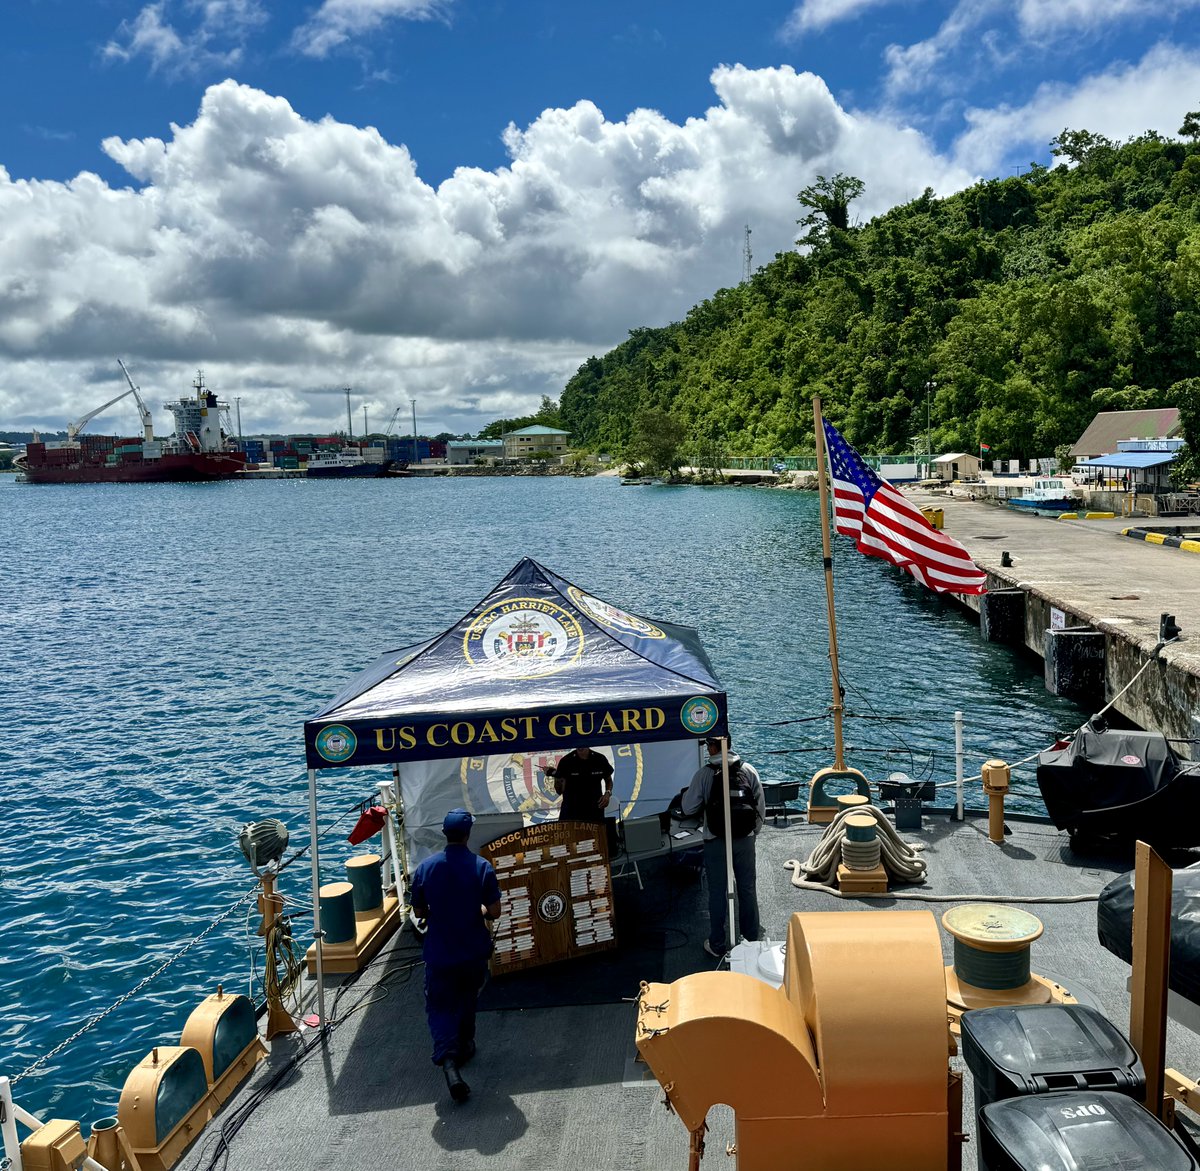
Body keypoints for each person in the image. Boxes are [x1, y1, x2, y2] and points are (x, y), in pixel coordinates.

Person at [410, 808, 503, 1103]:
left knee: (439, 1007)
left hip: (440, 951)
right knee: (466, 997)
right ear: (467, 834)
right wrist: (480, 910)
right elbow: (495, 910)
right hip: (473, 950)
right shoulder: (481, 867)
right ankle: (465, 1044)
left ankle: (449, 1061)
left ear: (444, 834)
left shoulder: (426, 868)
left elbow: (419, 912)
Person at [681, 736, 765, 959]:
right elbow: (760, 808)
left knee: (717, 891)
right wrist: (751, 833)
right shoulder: (749, 770)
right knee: (747, 888)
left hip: (716, 840)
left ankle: (717, 944)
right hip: (745, 840)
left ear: (712, 747)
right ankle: (751, 941)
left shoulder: (705, 774)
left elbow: (689, 808)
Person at [546, 745, 614, 824]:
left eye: (583, 744)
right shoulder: (566, 761)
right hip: (571, 810)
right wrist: (556, 776)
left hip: (594, 808)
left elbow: (608, 780)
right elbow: (559, 791)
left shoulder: (599, 759)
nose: (580, 746)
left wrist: (607, 793)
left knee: (596, 835)